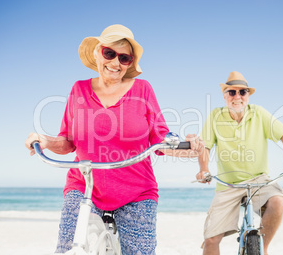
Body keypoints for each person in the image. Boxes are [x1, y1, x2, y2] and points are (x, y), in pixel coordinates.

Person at [25, 24, 203, 255]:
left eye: (124, 58)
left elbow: (160, 138)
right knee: (69, 248)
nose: (115, 63)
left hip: (136, 191)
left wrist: (188, 147)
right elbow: (68, 141)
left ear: (130, 63)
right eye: (109, 53)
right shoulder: (78, 89)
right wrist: (45, 141)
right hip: (85, 186)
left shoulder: (143, 89)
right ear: (98, 53)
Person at [196, 71, 283, 255]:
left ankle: (263, 248)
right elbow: (205, 146)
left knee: (277, 201)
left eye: (242, 92)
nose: (237, 97)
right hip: (228, 185)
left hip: (259, 180)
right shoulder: (215, 116)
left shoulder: (259, 113)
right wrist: (203, 169)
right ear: (225, 95)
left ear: (248, 95)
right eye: (231, 92)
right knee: (211, 240)